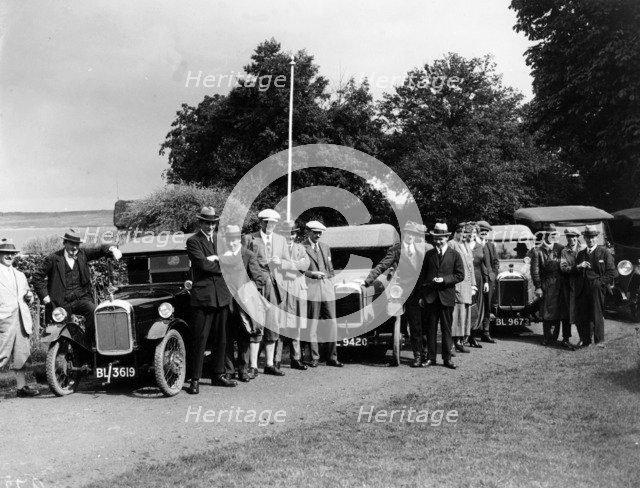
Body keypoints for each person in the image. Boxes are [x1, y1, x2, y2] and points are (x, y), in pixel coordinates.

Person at [32, 229, 121, 339]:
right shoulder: (53, 258)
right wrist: (45, 296)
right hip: (61, 302)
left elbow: (100, 251)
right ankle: (62, 353)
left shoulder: (83, 254)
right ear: (64, 243)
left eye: (77, 244)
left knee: (93, 310)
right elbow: (37, 277)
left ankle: (88, 343)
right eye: (71, 244)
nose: (74, 247)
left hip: (81, 298)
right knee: (63, 333)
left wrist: (112, 248)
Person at [186, 206, 236, 394]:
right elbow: (203, 265)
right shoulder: (193, 241)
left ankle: (218, 374)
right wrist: (221, 260)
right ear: (200, 222)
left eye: (213, 223)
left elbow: (232, 263)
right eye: (206, 222)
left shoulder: (220, 240)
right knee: (200, 339)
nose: (210, 226)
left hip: (221, 296)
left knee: (221, 338)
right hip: (203, 297)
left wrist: (217, 258)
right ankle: (195, 379)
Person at [364, 221, 427, 366]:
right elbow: (382, 265)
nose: (410, 236)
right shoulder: (396, 250)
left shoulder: (422, 250)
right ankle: (404, 351)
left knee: (417, 324)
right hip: (401, 291)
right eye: (407, 233)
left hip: (418, 292)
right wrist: (368, 280)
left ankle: (420, 354)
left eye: (413, 234)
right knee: (396, 319)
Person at [243, 209, 291, 376]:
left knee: (272, 325)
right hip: (256, 286)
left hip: (276, 288)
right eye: (266, 223)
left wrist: (282, 263)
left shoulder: (281, 240)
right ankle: (253, 366)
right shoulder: (249, 238)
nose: (269, 226)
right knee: (256, 326)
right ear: (261, 222)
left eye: (272, 223)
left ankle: (269, 364)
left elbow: (288, 262)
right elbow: (242, 262)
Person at [219, 224, 265, 383]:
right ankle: (229, 371)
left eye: (234, 240)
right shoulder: (221, 257)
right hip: (225, 304)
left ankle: (243, 370)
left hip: (243, 305)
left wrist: (246, 289)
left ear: (239, 239)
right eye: (229, 240)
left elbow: (259, 279)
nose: (232, 243)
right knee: (227, 338)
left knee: (244, 337)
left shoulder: (248, 255)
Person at [419, 222, 465, 369]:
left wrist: (444, 280)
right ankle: (430, 358)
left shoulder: (455, 255)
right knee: (430, 329)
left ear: (447, 237)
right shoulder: (429, 255)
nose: (438, 242)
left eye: (441, 239)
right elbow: (422, 276)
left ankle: (447, 359)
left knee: (446, 329)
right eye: (436, 239)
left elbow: (460, 275)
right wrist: (422, 296)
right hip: (431, 297)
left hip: (446, 297)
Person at [0, 239, 39, 397]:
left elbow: (26, 293)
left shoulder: (20, 274)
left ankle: (21, 388)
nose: (9, 256)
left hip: (21, 318)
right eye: (5, 253)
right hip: (3, 318)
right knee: (1, 353)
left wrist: (29, 296)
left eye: (12, 254)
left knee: (21, 355)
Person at [303, 221, 343, 367]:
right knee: (312, 325)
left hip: (327, 290)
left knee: (332, 323)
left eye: (320, 233)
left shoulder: (325, 248)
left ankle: (332, 357)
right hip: (312, 290)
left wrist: (330, 284)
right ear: (308, 232)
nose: (318, 235)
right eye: (315, 232)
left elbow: (330, 269)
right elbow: (298, 270)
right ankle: (314, 357)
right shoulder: (302, 248)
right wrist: (311, 274)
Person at [274, 221, 310, 371]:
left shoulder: (301, 248)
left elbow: (305, 265)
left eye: (293, 233)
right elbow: (274, 264)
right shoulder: (276, 248)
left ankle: (296, 358)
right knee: (280, 326)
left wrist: (286, 264)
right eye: (287, 234)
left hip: (297, 290)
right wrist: (295, 264)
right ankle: (275, 360)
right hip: (283, 289)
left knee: (296, 326)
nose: (290, 237)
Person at [575, 225, 616, 348]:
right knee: (584, 315)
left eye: (592, 237)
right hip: (583, 289)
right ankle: (586, 341)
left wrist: (599, 282)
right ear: (584, 238)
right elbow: (576, 273)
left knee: (597, 315)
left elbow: (612, 273)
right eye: (588, 237)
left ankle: (599, 342)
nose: (590, 240)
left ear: (597, 238)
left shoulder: (604, 252)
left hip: (597, 289)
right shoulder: (581, 254)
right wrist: (579, 266)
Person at [531, 224, 570, 347]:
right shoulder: (537, 251)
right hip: (547, 284)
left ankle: (565, 338)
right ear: (545, 235)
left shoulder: (561, 248)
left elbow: (567, 264)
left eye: (554, 235)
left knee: (563, 312)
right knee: (547, 313)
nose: (552, 237)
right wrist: (538, 286)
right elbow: (535, 270)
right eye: (549, 235)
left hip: (561, 283)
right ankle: (548, 337)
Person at [449, 223, 477, 353]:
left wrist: (474, 285)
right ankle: (452, 343)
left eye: (468, 235)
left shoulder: (466, 246)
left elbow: (470, 267)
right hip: (457, 285)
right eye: (463, 233)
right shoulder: (452, 244)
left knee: (465, 314)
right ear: (457, 232)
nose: (465, 236)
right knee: (457, 314)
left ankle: (460, 341)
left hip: (467, 285)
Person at [474, 220, 499, 343]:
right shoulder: (472, 245)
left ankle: (486, 332)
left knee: (488, 306)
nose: (484, 233)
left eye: (486, 231)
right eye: (482, 231)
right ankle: (472, 334)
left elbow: (496, 262)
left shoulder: (490, 245)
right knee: (475, 306)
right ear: (477, 231)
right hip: (477, 279)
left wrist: (493, 275)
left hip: (489, 281)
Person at [559, 227, 583, 348]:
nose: (571, 239)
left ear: (577, 237)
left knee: (581, 311)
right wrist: (576, 267)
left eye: (574, 237)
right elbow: (563, 267)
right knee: (567, 312)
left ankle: (583, 338)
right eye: (569, 237)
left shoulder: (583, 249)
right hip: (568, 285)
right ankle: (566, 338)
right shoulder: (564, 251)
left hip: (582, 284)